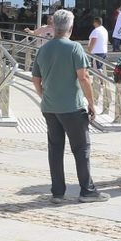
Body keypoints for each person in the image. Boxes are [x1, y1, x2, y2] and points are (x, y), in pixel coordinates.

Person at [34, 10, 107, 203]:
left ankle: (57, 192)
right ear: (71, 28)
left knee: (55, 149)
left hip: (50, 107)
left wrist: (44, 95)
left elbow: (36, 78)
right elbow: (83, 78)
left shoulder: (44, 49)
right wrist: (91, 104)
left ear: (54, 26)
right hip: (72, 107)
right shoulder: (74, 48)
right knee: (81, 148)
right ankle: (87, 190)